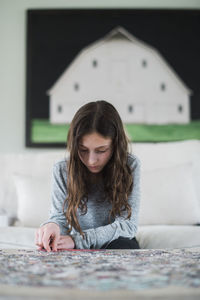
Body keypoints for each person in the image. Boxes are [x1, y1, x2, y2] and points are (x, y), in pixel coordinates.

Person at [35, 100, 141, 252]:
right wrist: (52, 226)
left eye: (101, 150)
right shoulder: (62, 169)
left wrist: (78, 240)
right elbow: (59, 217)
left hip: (117, 242)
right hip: (77, 243)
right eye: (83, 150)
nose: (91, 160)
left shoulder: (130, 166)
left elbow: (128, 225)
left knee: (123, 247)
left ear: (115, 145)